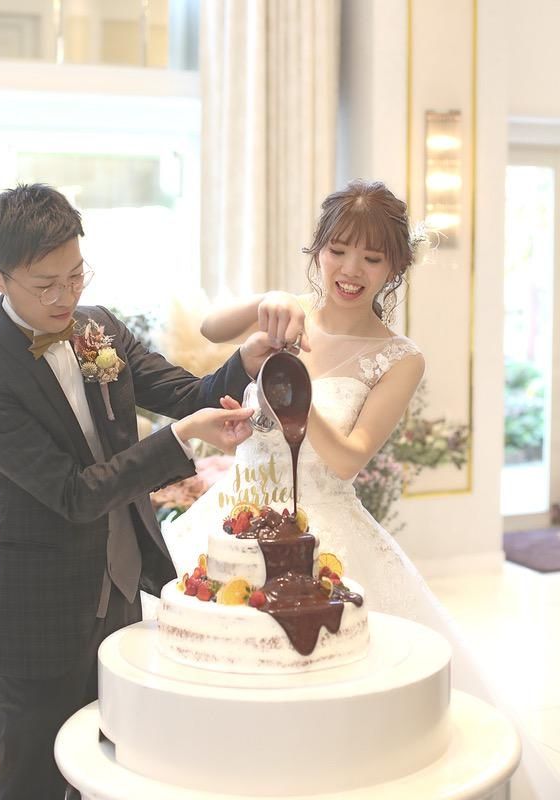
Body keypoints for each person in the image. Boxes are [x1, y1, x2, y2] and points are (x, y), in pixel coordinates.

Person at [163, 179, 559, 799]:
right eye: (338, 250)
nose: (351, 270)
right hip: (233, 515)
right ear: (318, 249)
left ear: (395, 267)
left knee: (328, 694)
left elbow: (349, 459)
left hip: (325, 528)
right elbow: (213, 328)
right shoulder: (289, 312)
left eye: (372, 258)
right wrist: (268, 302)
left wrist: (292, 388)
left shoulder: (400, 357)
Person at [0, 183, 277, 800]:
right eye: (46, 285)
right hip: (41, 618)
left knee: (116, 768)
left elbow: (188, 394)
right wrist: (182, 438)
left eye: (76, 275)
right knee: (34, 783)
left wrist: (249, 359)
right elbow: (73, 495)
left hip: (122, 592)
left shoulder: (98, 328)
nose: (67, 296)